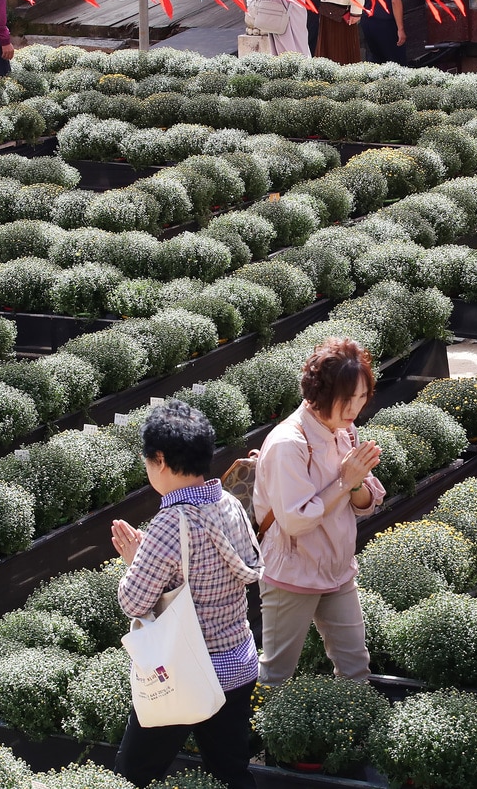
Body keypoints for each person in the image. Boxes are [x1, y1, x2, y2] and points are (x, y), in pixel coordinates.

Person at [110, 400, 262, 789]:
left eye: (147, 461)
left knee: (133, 775)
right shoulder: (229, 503)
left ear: (160, 459)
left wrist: (136, 561)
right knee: (231, 773)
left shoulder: (168, 524)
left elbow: (133, 602)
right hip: (238, 664)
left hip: (183, 671)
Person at [252, 336, 386, 685]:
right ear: (320, 394)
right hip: (293, 575)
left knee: (356, 668)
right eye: (346, 399)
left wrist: (355, 483)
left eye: (361, 397)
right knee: (276, 675)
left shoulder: (346, 431)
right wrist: (344, 482)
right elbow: (296, 521)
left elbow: (368, 500)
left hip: (338, 570)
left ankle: (354, 735)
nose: (354, 409)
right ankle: (264, 737)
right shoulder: (288, 444)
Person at [361, 0, 406, 65]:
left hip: (367, 20)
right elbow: (395, 1)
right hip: (385, 24)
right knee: (396, 62)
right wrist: (400, 29)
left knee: (376, 60)